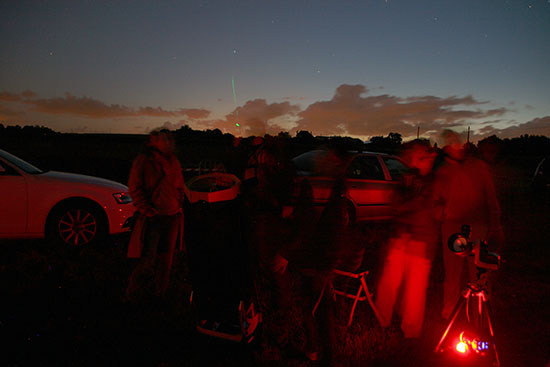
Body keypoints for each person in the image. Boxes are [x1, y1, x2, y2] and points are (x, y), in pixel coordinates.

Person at [433, 130, 503, 319]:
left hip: (477, 226)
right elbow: (437, 200)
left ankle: (479, 315)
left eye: (457, 143)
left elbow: (490, 197)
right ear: (446, 148)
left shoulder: (479, 167)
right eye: (451, 144)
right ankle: (450, 313)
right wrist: (440, 211)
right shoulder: (443, 171)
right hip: (452, 228)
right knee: (452, 274)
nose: (455, 147)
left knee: (479, 273)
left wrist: (495, 226)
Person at [375, 139, 438, 339]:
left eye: (420, 157)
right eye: (413, 156)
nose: (414, 161)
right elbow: (396, 204)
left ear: (429, 158)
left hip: (421, 240)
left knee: (415, 289)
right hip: (400, 237)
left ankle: (410, 329)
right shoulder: (408, 179)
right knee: (390, 282)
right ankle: (381, 319)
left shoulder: (433, 182)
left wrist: (407, 206)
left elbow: (425, 208)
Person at [126, 129, 185, 301]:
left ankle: (161, 294)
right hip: (154, 218)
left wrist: (179, 204)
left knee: (166, 259)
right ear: (153, 142)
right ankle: (132, 293)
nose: (166, 143)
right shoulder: (143, 162)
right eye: (162, 140)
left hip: (172, 217)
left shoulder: (174, 162)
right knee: (147, 260)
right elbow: (135, 188)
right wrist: (146, 210)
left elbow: (179, 186)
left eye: (168, 140)